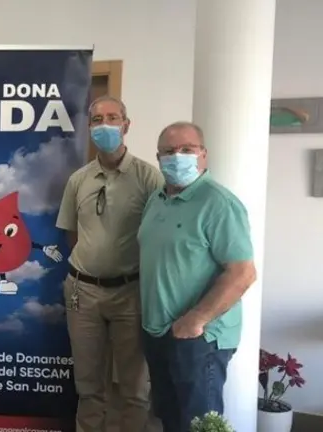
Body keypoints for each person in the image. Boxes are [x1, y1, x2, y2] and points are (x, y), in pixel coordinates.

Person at [138, 121, 257, 432]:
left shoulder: (219, 204)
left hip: (199, 339)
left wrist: (196, 319)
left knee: (199, 424)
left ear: (203, 154)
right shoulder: (157, 199)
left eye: (187, 149)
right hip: (158, 332)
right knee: (170, 418)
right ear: (158, 158)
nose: (177, 156)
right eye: (168, 151)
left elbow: (242, 273)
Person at [56, 96, 163, 432]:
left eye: (112, 118)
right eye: (97, 119)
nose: (105, 125)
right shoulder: (79, 180)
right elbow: (72, 234)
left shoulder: (149, 178)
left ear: (126, 125)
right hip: (83, 293)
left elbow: (161, 236)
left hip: (130, 292)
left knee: (134, 386)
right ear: (89, 128)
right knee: (88, 384)